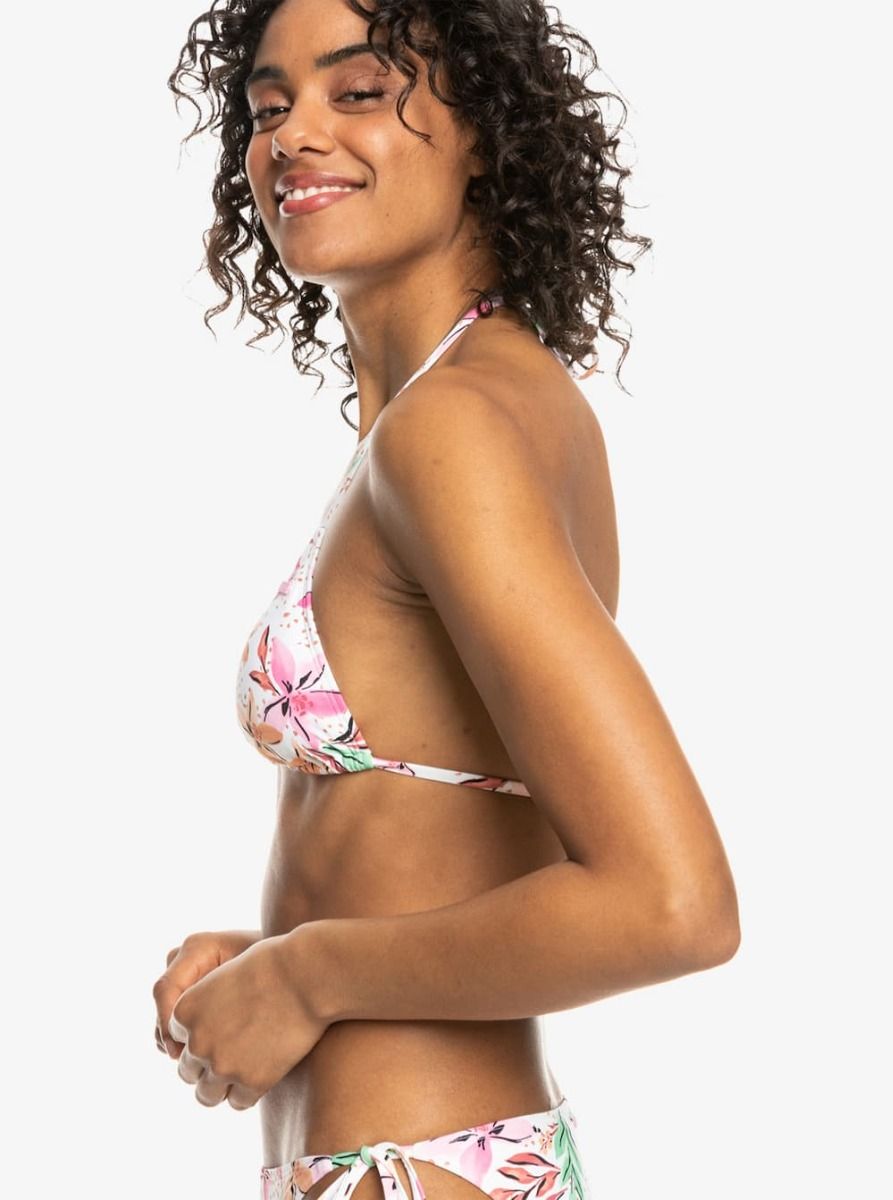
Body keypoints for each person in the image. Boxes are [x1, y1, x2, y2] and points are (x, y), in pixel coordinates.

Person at [156, 2, 741, 1199]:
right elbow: (455, 841)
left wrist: (310, 973)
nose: (293, 135)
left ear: (483, 130)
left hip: (414, 1161)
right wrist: (275, 960)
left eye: (358, 92)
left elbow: (671, 903)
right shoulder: (465, 401)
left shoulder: (456, 427)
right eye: (268, 107)